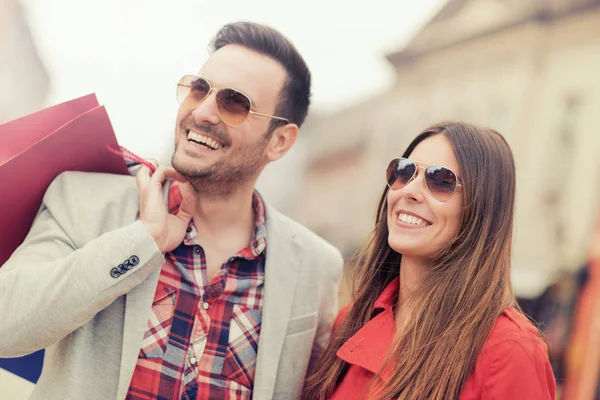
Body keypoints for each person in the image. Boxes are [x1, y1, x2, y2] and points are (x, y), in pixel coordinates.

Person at [0, 21, 343, 400]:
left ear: (279, 141)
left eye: (234, 103)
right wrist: (142, 240)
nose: (203, 113)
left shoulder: (316, 266)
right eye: (199, 90)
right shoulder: (85, 199)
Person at [302, 121, 556, 400]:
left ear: (481, 209)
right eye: (403, 172)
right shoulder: (351, 321)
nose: (408, 191)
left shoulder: (509, 351)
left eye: (441, 181)